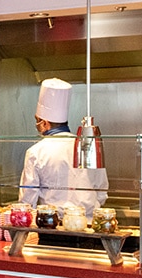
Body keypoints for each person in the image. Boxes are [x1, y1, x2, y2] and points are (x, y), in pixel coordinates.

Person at [19, 77, 108, 215]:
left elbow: (27, 202)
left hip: (52, 223)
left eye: (37, 121)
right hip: (88, 223)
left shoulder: (35, 152)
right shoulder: (87, 147)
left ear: (44, 123)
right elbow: (102, 192)